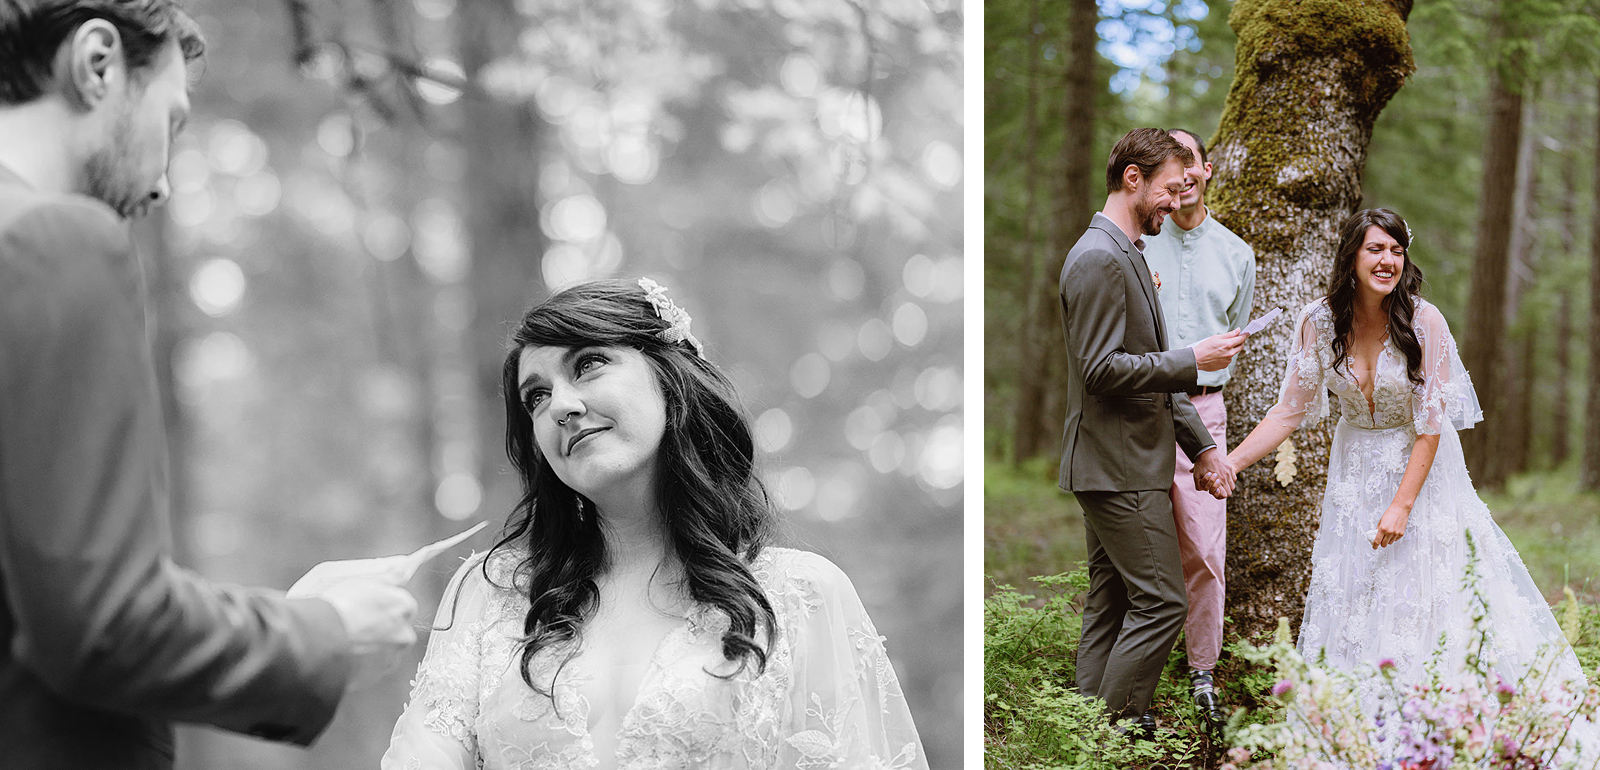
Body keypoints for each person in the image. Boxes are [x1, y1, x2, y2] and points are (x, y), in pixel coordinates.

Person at [0, 3, 420, 768]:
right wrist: (324, 633)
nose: (160, 185)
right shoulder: (56, 241)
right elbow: (104, 630)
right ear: (97, 66)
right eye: (173, 119)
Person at [382, 279, 927, 769]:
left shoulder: (801, 595)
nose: (560, 408)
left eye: (588, 364)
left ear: (669, 377)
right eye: (537, 397)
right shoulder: (492, 593)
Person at [1220, 208, 1597, 755]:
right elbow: (1290, 411)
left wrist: (1400, 506)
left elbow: (1429, 426)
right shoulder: (1318, 322)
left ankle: (1438, 733)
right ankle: (1363, 736)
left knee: (1427, 595)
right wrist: (1231, 463)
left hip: (1422, 473)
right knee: (1357, 598)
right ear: (1351, 254)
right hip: (1353, 474)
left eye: (1396, 251)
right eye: (1376, 249)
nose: (1388, 261)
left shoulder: (1425, 322)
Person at [1056, 127, 1246, 736]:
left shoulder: (1130, 253)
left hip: (1125, 460)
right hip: (1119, 466)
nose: (1176, 200)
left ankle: (1086, 736)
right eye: (1168, 189)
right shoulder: (1097, 258)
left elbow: (1152, 373)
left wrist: (1204, 448)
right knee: (1164, 601)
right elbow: (1101, 370)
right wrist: (1195, 359)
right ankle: (1114, 734)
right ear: (1132, 179)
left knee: (1110, 605)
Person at [1140, 127, 1256, 728]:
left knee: (1204, 545)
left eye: (1192, 162)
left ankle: (1203, 670)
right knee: (1139, 539)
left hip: (1204, 410)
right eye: (1171, 163)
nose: (1182, 175)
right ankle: (1136, 670)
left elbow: (1235, 333)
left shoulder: (1237, 254)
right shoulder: (1137, 242)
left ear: (1207, 171)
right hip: (1138, 406)